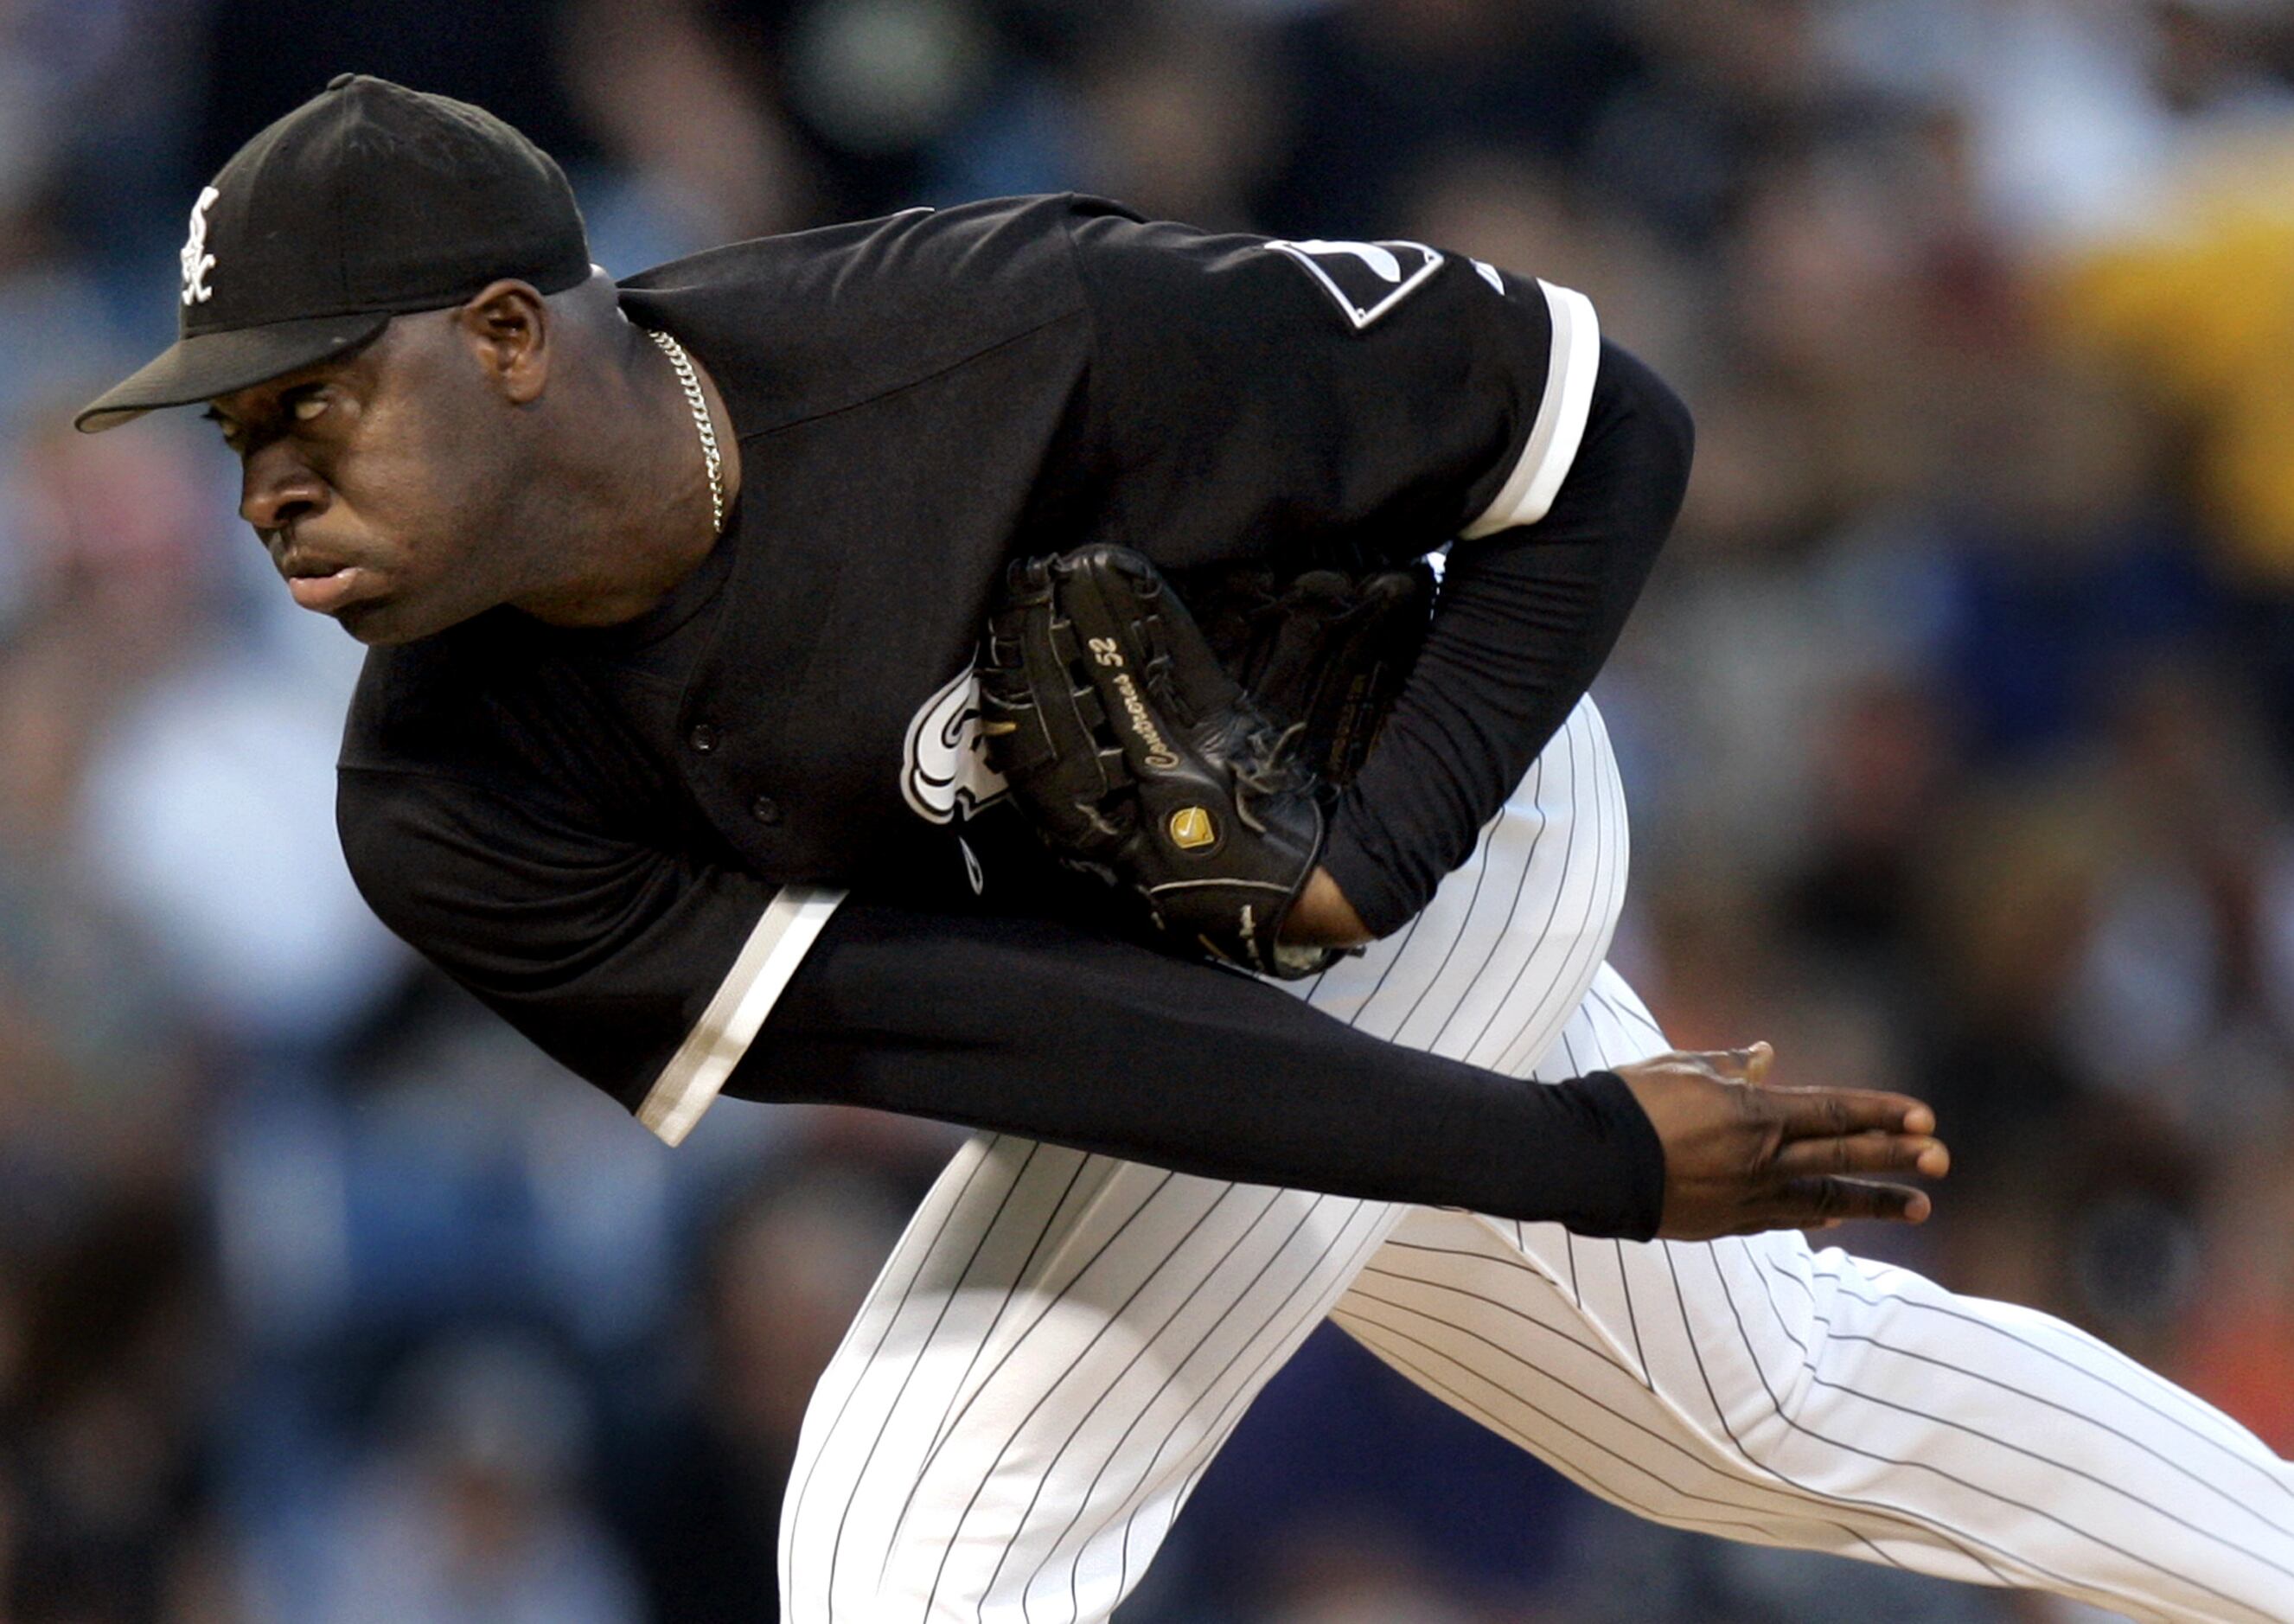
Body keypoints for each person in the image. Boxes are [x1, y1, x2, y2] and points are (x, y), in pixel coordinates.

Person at [80, 77, 2294, 1624]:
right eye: (233, 426)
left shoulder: (1003, 332)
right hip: (1160, 998)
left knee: (910, 1550)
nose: (260, 477)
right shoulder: (444, 800)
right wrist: (1571, 1156)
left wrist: (1375, 862)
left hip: (1449, 808)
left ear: (504, 339)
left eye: (308, 400)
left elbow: (1601, 425)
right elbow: (1022, 1037)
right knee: (1760, 1410)